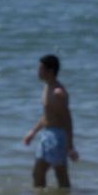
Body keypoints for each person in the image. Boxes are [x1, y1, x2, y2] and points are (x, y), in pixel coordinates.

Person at [24, 54, 78, 188]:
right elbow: (47, 116)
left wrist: (70, 145)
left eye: (41, 69)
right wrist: (33, 132)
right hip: (47, 134)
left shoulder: (58, 92)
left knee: (52, 173)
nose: (38, 72)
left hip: (57, 137)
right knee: (42, 173)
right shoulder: (47, 87)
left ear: (50, 71)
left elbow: (67, 119)